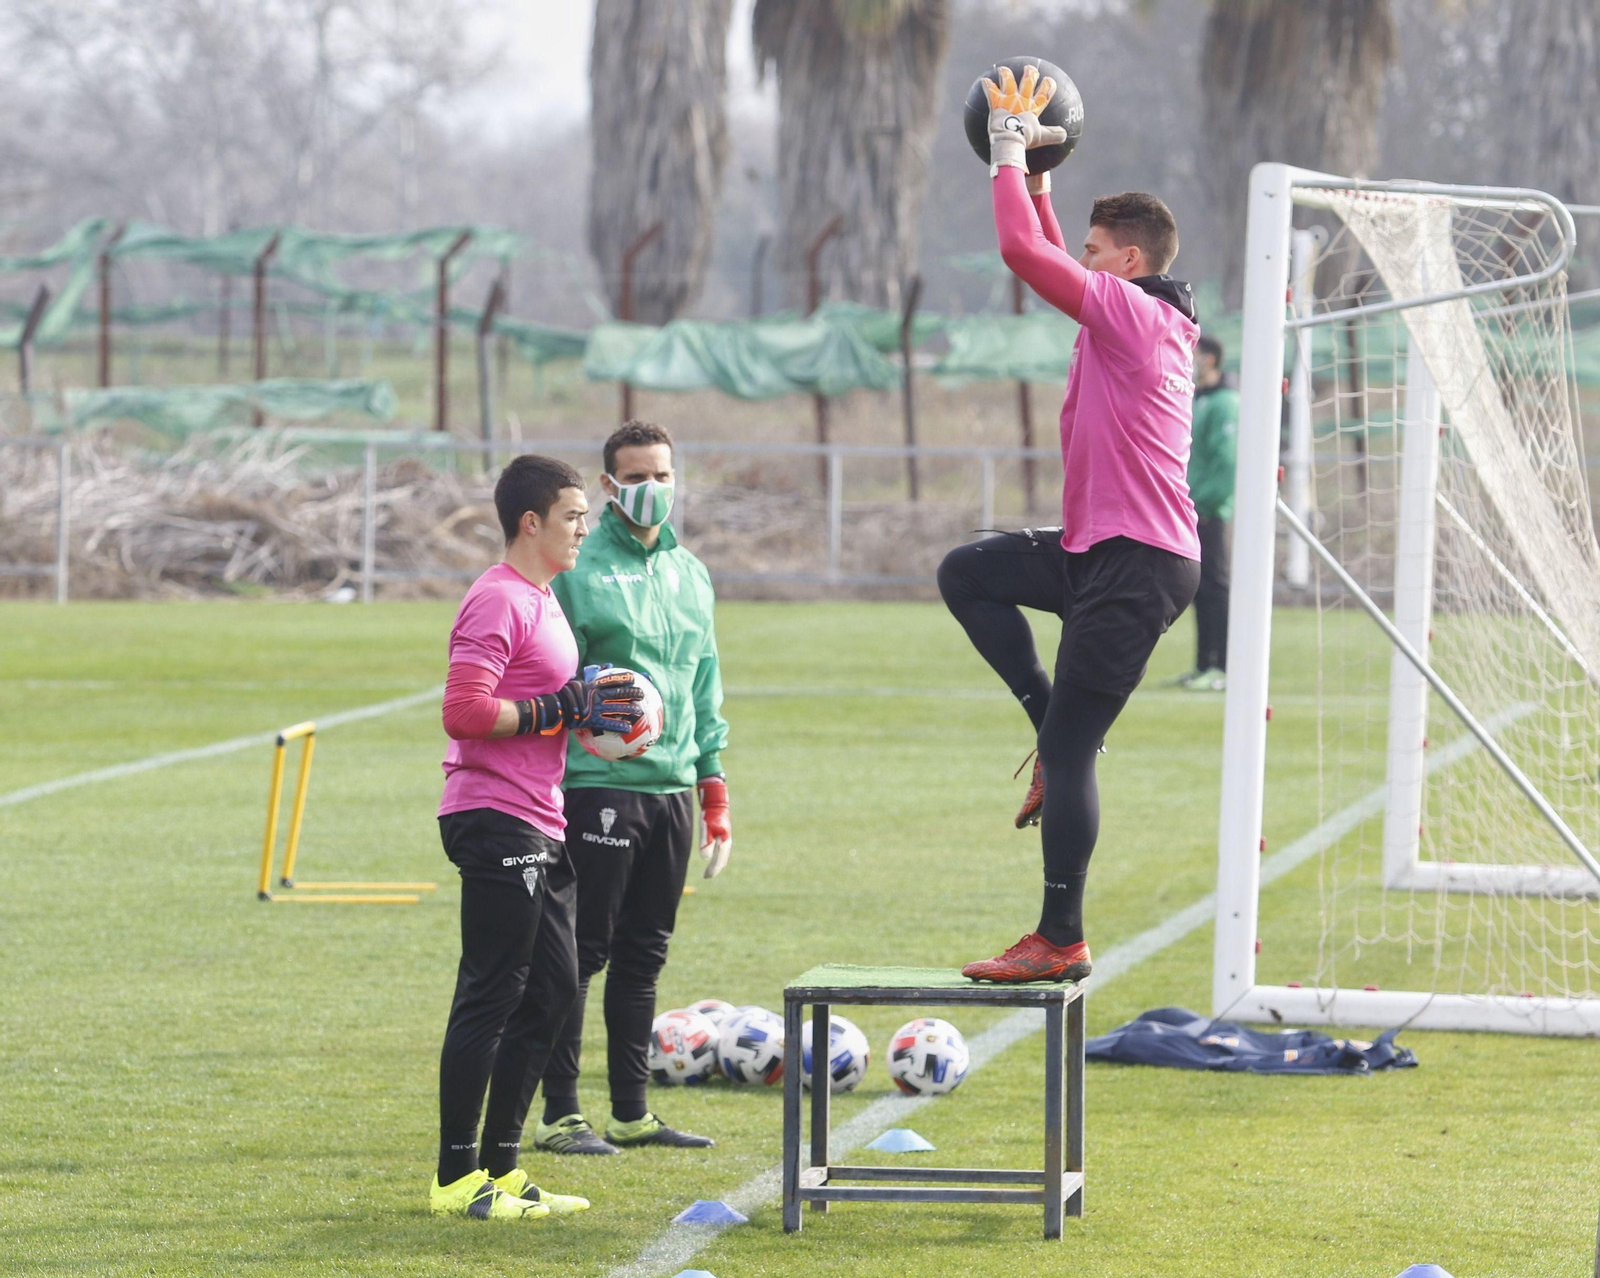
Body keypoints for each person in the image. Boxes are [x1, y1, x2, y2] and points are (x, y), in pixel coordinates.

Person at [937, 66, 1201, 984]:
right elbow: (1045, 246)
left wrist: (1008, 154)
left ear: (1127, 261)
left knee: (1073, 750)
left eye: (1093, 250)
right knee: (967, 572)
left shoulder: (1135, 318)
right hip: (1101, 552)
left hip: (1138, 563)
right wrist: (1043, 180)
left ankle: (1060, 938)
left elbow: (1022, 253)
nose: (1078, 260)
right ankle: (1046, 720)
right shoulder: (1135, 313)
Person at [429, 453, 646, 1219]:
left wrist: (593, 718)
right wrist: (560, 708)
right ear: (532, 522)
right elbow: (464, 712)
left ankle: (503, 1167)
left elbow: (547, 707)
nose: (585, 529)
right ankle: (457, 1180)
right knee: (492, 992)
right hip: (493, 816)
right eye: (573, 517)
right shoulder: (497, 598)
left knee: (553, 990)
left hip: (540, 816)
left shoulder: (545, 598)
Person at [535, 420, 731, 1155]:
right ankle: (560, 1115)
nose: (653, 488)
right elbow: (550, 673)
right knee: (579, 953)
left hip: (672, 786)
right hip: (599, 784)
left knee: (645, 953)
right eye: (638, 477)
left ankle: (631, 1112)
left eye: (663, 475)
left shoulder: (691, 572)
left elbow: (705, 681)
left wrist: (713, 786)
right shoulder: (578, 568)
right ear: (609, 486)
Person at [1178, 334, 1237, 692]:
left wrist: (1207, 504)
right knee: (1199, 588)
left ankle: (1224, 667)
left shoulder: (1226, 403)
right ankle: (1203, 665)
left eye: (1194, 353)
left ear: (1210, 359)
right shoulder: (1197, 399)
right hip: (1193, 509)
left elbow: (1227, 462)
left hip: (1210, 511)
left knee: (1216, 585)